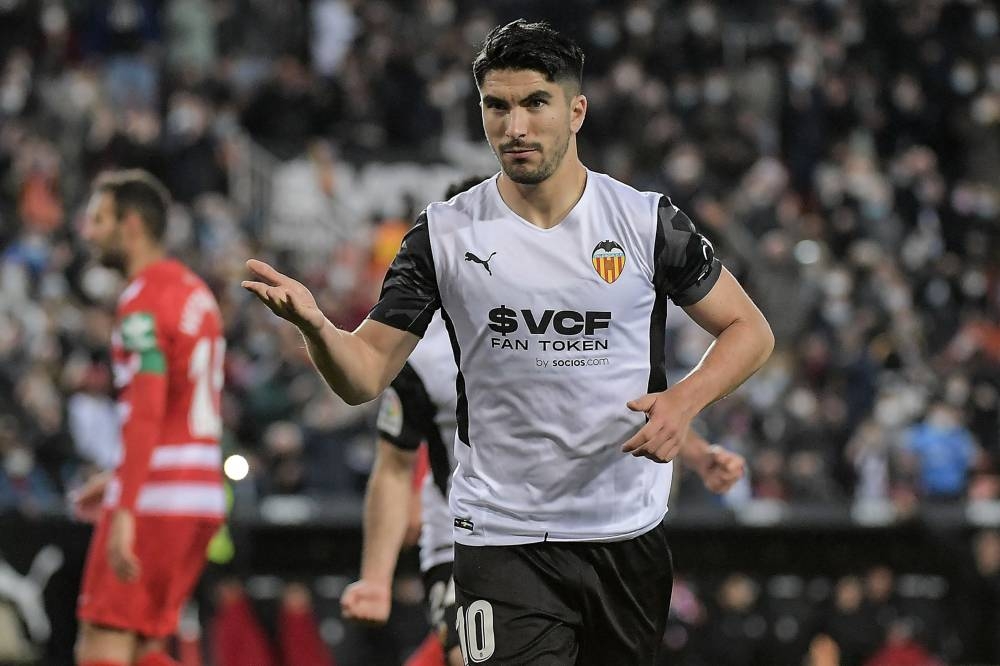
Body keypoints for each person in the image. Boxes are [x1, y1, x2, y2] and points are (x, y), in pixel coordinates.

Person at [243, 19, 773, 664]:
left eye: (534, 103)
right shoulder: (444, 235)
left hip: (624, 529)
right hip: (501, 534)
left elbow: (750, 330)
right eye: (497, 106)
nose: (514, 126)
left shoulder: (643, 221)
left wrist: (685, 401)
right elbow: (362, 377)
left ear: (576, 111)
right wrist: (318, 328)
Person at [74, 169, 226, 666]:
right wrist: (118, 477)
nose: (88, 232)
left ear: (132, 225)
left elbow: (146, 413)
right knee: (146, 648)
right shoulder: (195, 292)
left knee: (102, 644)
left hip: (155, 500)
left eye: (99, 220)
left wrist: (125, 506)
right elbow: (180, 411)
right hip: (199, 494)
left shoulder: (141, 302)